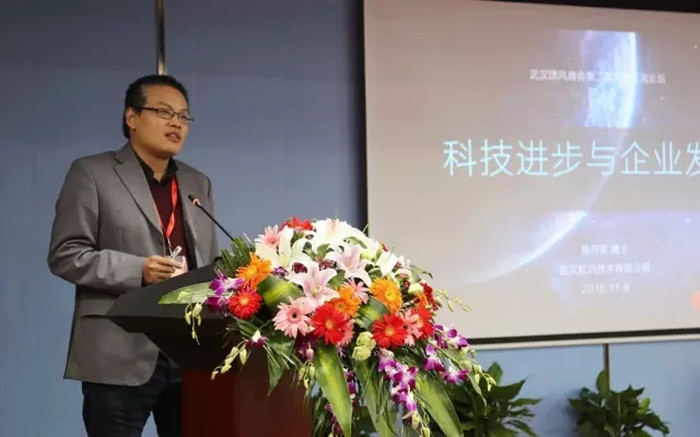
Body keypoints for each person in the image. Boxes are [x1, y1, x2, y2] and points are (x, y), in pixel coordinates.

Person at [48, 74, 219, 436]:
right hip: (118, 351)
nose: (176, 123)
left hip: (186, 352)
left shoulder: (197, 183)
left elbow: (207, 262)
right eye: (164, 112)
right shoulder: (92, 173)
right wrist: (137, 270)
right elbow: (66, 253)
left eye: (184, 116)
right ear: (132, 117)